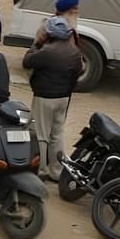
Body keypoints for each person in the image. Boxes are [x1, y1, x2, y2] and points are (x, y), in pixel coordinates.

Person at [23, 16, 84, 175]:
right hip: (63, 97)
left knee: (41, 135)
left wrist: (36, 43)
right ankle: (56, 170)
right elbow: (79, 70)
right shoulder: (74, 51)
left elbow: (27, 62)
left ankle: (41, 170)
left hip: (44, 97)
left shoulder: (47, 51)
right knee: (57, 134)